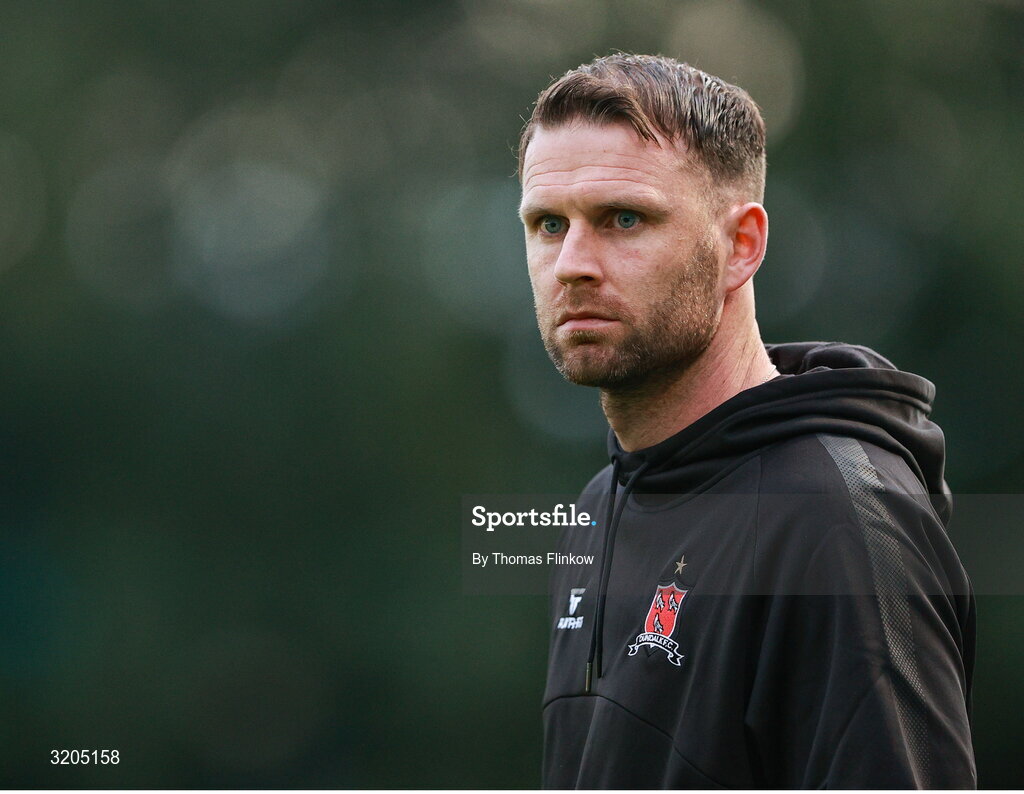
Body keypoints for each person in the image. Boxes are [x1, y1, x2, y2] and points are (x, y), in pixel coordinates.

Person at [517, 53, 976, 789]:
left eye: (623, 218)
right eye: (548, 224)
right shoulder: (599, 506)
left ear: (742, 246)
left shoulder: (837, 519)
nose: (572, 262)